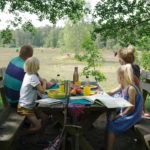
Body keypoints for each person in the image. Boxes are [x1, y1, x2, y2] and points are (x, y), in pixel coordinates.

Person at [106, 64, 143, 150]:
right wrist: (100, 94)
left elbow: (131, 107)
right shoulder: (123, 86)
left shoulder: (131, 89)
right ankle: (107, 144)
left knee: (112, 124)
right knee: (110, 120)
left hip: (133, 115)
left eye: (118, 76)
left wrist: (121, 115)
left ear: (122, 77)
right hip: (127, 112)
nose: (117, 78)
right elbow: (111, 92)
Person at [17, 57, 49, 144]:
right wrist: (45, 82)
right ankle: (19, 135)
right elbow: (42, 90)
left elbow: (40, 80)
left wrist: (42, 80)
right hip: (25, 107)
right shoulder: (32, 77)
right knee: (38, 126)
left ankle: (41, 138)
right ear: (35, 67)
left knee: (45, 118)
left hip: (31, 104)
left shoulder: (30, 74)